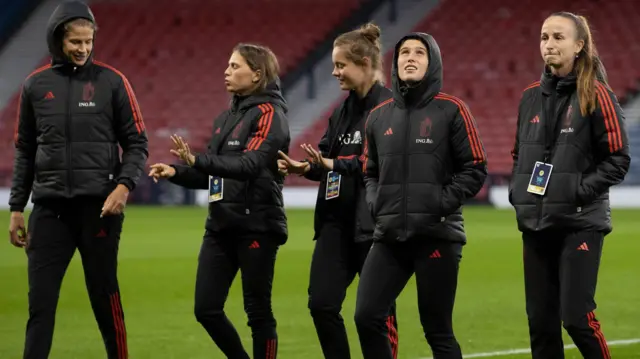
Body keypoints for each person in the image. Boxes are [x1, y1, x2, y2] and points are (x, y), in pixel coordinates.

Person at [7, 1, 149, 358]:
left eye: (88, 41)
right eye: (75, 42)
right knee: (40, 306)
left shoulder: (113, 82)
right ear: (58, 40)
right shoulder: (35, 87)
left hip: (99, 210)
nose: (83, 49)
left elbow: (136, 144)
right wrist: (16, 208)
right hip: (49, 211)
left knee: (105, 300)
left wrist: (123, 185)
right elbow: (24, 150)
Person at [149, 43, 290, 359]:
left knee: (257, 311)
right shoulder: (225, 118)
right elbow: (213, 175)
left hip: (257, 225)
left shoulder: (271, 115)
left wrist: (199, 161)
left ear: (257, 74)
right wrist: (176, 171)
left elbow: (249, 165)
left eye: (234, 66)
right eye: (227, 65)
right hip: (220, 225)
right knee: (206, 309)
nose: (226, 72)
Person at [354, 32, 488, 359]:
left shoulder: (452, 110)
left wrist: (438, 205)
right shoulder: (378, 116)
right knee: (366, 316)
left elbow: (475, 169)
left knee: (437, 329)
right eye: (404, 53)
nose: (410, 58)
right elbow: (369, 170)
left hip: (436, 235)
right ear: (395, 62)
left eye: (419, 53)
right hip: (388, 236)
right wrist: (376, 202)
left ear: (432, 63)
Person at [509, 12, 629, 359]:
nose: (549, 44)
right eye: (545, 37)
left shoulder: (597, 95)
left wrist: (576, 191)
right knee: (541, 324)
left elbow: (618, 160)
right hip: (535, 224)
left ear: (579, 45)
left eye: (558, 37)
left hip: (580, 224)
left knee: (576, 318)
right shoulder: (529, 96)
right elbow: (519, 154)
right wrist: (519, 193)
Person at [277, 23, 398, 359]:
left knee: (376, 316)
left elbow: (376, 163)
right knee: (321, 304)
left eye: (341, 65)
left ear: (364, 64)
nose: (334, 72)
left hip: (373, 226)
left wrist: (331, 164)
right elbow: (327, 155)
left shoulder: (390, 108)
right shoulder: (342, 110)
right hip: (335, 224)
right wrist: (308, 167)